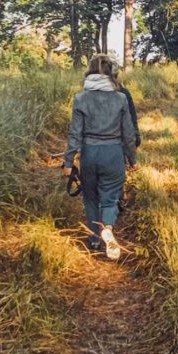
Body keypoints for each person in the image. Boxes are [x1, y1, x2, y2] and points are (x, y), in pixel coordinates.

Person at [64, 54, 138, 261]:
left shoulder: (80, 98)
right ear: (111, 74)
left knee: (90, 197)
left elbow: (75, 134)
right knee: (111, 197)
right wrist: (133, 160)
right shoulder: (121, 98)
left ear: (89, 72)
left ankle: (95, 239)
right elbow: (128, 134)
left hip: (89, 153)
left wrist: (68, 162)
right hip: (113, 153)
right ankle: (107, 227)